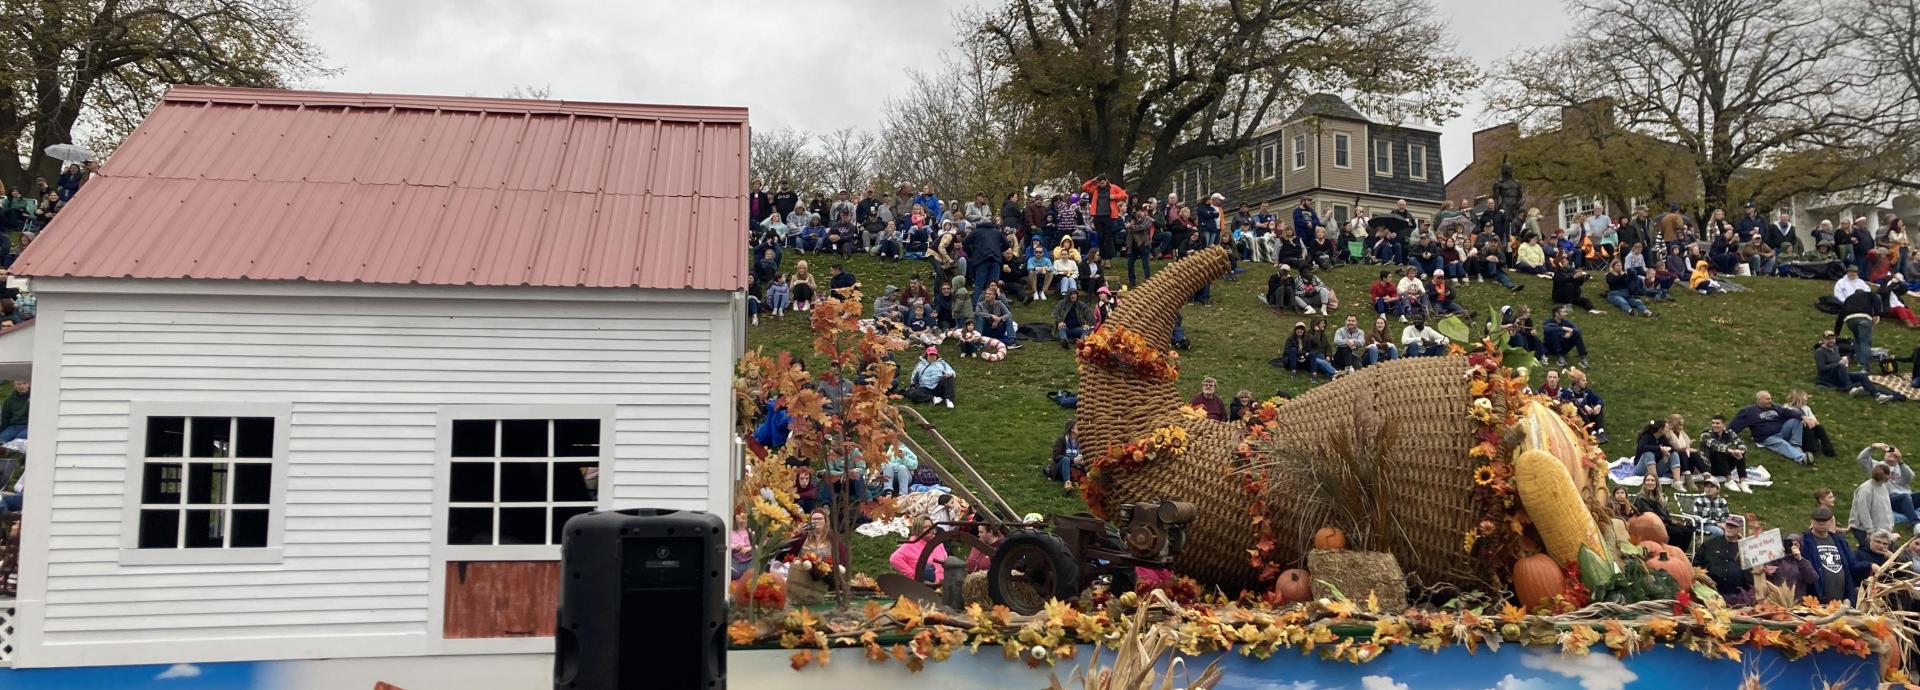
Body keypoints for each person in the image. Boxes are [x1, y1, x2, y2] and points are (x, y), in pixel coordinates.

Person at [1728, 390, 1807, 465]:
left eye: (1770, 398)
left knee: (1797, 419)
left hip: (1782, 431)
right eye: (1767, 399)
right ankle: (1802, 458)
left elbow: (1787, 412)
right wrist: (1726, 434)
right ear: (1759, 400)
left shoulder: (1775, 407)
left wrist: (1802, 416)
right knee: (1783, 445)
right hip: (1768, 437)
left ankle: (1795, 444)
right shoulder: (1748, 411)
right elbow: (1735, 425)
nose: (1770, 401)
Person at [1858, 443, 1920, 531]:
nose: (1891, 453)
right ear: (1884, 454)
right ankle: (1916, 524)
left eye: (1894, 451)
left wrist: (1900, 461)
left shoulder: (1901, 467)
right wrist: (1872, 447)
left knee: (1907, 496)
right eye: (1889, 451)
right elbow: (1861, 459)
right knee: (1904, 496)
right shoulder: (1877, 466)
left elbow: (1909, 478)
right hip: (1889, 500)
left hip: (1908, 500)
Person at [1631, 476, 1694, 550]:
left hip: (1664, 523)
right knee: (1678, 533)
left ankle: (1680, 554)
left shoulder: (1660, 497)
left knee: (1688, 531)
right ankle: (1669, 552)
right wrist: (1671, 521)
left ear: (1656, 483)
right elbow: (1651, 514)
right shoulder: (1640, 497)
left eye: (1652, 480)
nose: (1650, 482)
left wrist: (1672, 521)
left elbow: (1666, 512)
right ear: (1644, 483)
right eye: (1647, 480)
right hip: (1650, 525)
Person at [1699, 414, 1752, 492]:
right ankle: (1729, 480)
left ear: (1724, 424)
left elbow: (1740, 443)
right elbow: (1717, 445)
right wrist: (1732, 451)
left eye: (1717, 423)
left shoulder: (1729, 432)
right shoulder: (1706, 434)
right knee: (1721, 451)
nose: (1714, 425)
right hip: (1710, 466)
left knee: (1739, 453)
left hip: (1725, 465)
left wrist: (1740, 451)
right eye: (1713, 423)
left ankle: (1742, 481)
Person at [889, 517, 948, 583]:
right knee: (927, 568)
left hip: (943, 583)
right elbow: (894, 559)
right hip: (926, 584)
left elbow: (945, 561)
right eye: (925, 527)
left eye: (930, 527)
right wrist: (914, 576)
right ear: (918, 529)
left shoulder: (938, 543)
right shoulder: (910, 545)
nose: (929, 529)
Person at [1781, 389, 1836, 458]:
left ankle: (1828, 450)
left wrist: (1811, 421)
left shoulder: (1806, 408)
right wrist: (1805, 420)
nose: (1807, 399)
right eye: (1805, 397)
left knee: (1819, 428)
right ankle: (1810, 449)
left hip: (1808, 427)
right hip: (1795, 432)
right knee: (1805, 425)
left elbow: (1815, 421)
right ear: (1799, 397)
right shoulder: (1787, 407)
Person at [1851, 464, 1896, 548]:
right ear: (1885, 476)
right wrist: (1869, 531)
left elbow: (1887, 508)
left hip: (1881, 529)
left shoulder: (1883, 486)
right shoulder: (1866, 489)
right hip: (1865, 530)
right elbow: (1863, 511)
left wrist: (1890, 526)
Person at [1634, 418, 1686, 489]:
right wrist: (1659, 448)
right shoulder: (1646, 436)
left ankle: (1676, 482)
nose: (1668, 430)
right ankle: (1655, 482)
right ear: (1660, 429)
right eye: (1666, 428)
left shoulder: (1662, 438)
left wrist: (1667, 451)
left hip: (1657, 468)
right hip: (1642, 469)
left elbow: (1671, 448)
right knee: (1649, 453)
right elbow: (1642, 447)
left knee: (1674, 454)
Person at [1559, 368, 1607, 443]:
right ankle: (1592, 433)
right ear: (1577, 382)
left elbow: (1599, 399)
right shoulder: (1566, 392)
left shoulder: (1587, 392)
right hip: (1577, 419)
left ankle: (1601, 431)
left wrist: (1599, 405)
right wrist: (1583, 406)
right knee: (1580, 409)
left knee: (1598, 408)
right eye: (1583, 380)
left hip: (1589, 416)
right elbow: (1572, 402)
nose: (1586, 382)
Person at [1049, 420, 1084, 490]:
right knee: (1066, 459)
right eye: (1077, 426)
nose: (1080, 428)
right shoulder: (1061, 440)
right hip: (1062, 467)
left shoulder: (1081, 441)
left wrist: (1082, 460)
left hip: (1075, 467)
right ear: (1071, 429)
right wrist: (1073, 459)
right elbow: (1056, 457)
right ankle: (1067, 483)